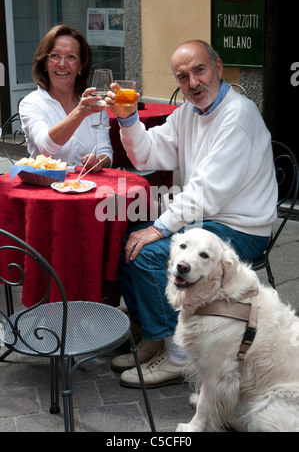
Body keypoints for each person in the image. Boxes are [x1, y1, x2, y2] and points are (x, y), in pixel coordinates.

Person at [105, 40, 278, 388]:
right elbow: (148, 155)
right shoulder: (189, 112)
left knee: (152, 253)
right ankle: (154, 337)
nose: (193, 83)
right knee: (125, 242)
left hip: (243, 227)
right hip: (209, 220)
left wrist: (157, 228)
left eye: (199, 70)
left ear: (218, 66)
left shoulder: (238, 114)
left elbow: (205, 192)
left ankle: (178, 354)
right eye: (183, 77)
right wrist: (128, 120)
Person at [19, 24, 113, 171]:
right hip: (46, 189)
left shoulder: (94, 103)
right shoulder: (31, 103)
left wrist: (98, 162)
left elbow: (105, 152)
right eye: (55, 56)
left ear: (81, 65)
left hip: (88, 187)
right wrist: (80, 112)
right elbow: (45, 147)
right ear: (45, 62)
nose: (62, 64)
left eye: (71, 57)